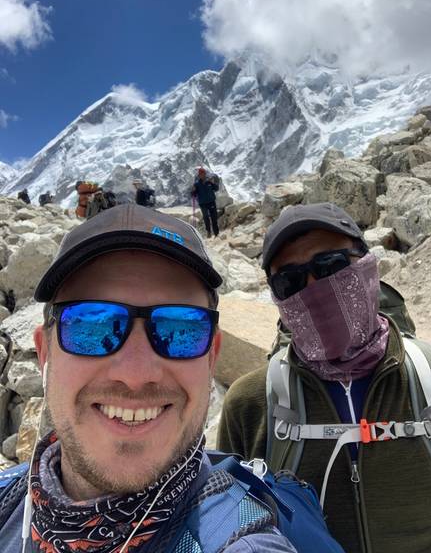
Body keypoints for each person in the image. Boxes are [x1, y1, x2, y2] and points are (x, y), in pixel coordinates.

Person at [0, 204, 297, 553]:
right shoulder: (8, 498)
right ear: (45, 353)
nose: (135, 375)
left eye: (180, 328)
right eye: (92, 325)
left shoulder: (241, 542)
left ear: (212, 356)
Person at [217, 202, 431, 553]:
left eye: (331, 266)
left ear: (369, 266)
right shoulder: (250, 406)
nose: (313, 288)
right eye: (290, 281)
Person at [191, 167, 219, 238]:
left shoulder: (209, 182)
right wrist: (193, 191)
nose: (202, 175)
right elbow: (193, 194)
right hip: (203, 203)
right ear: (199, 175)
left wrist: (213, 183)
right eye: (201, 174)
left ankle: (216, 233)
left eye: (203, 173)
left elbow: (216, 189)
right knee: (206, 217)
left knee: (214, 218)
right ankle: (209, 232)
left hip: (211, 202)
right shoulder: (197, 184)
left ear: (205, 174)